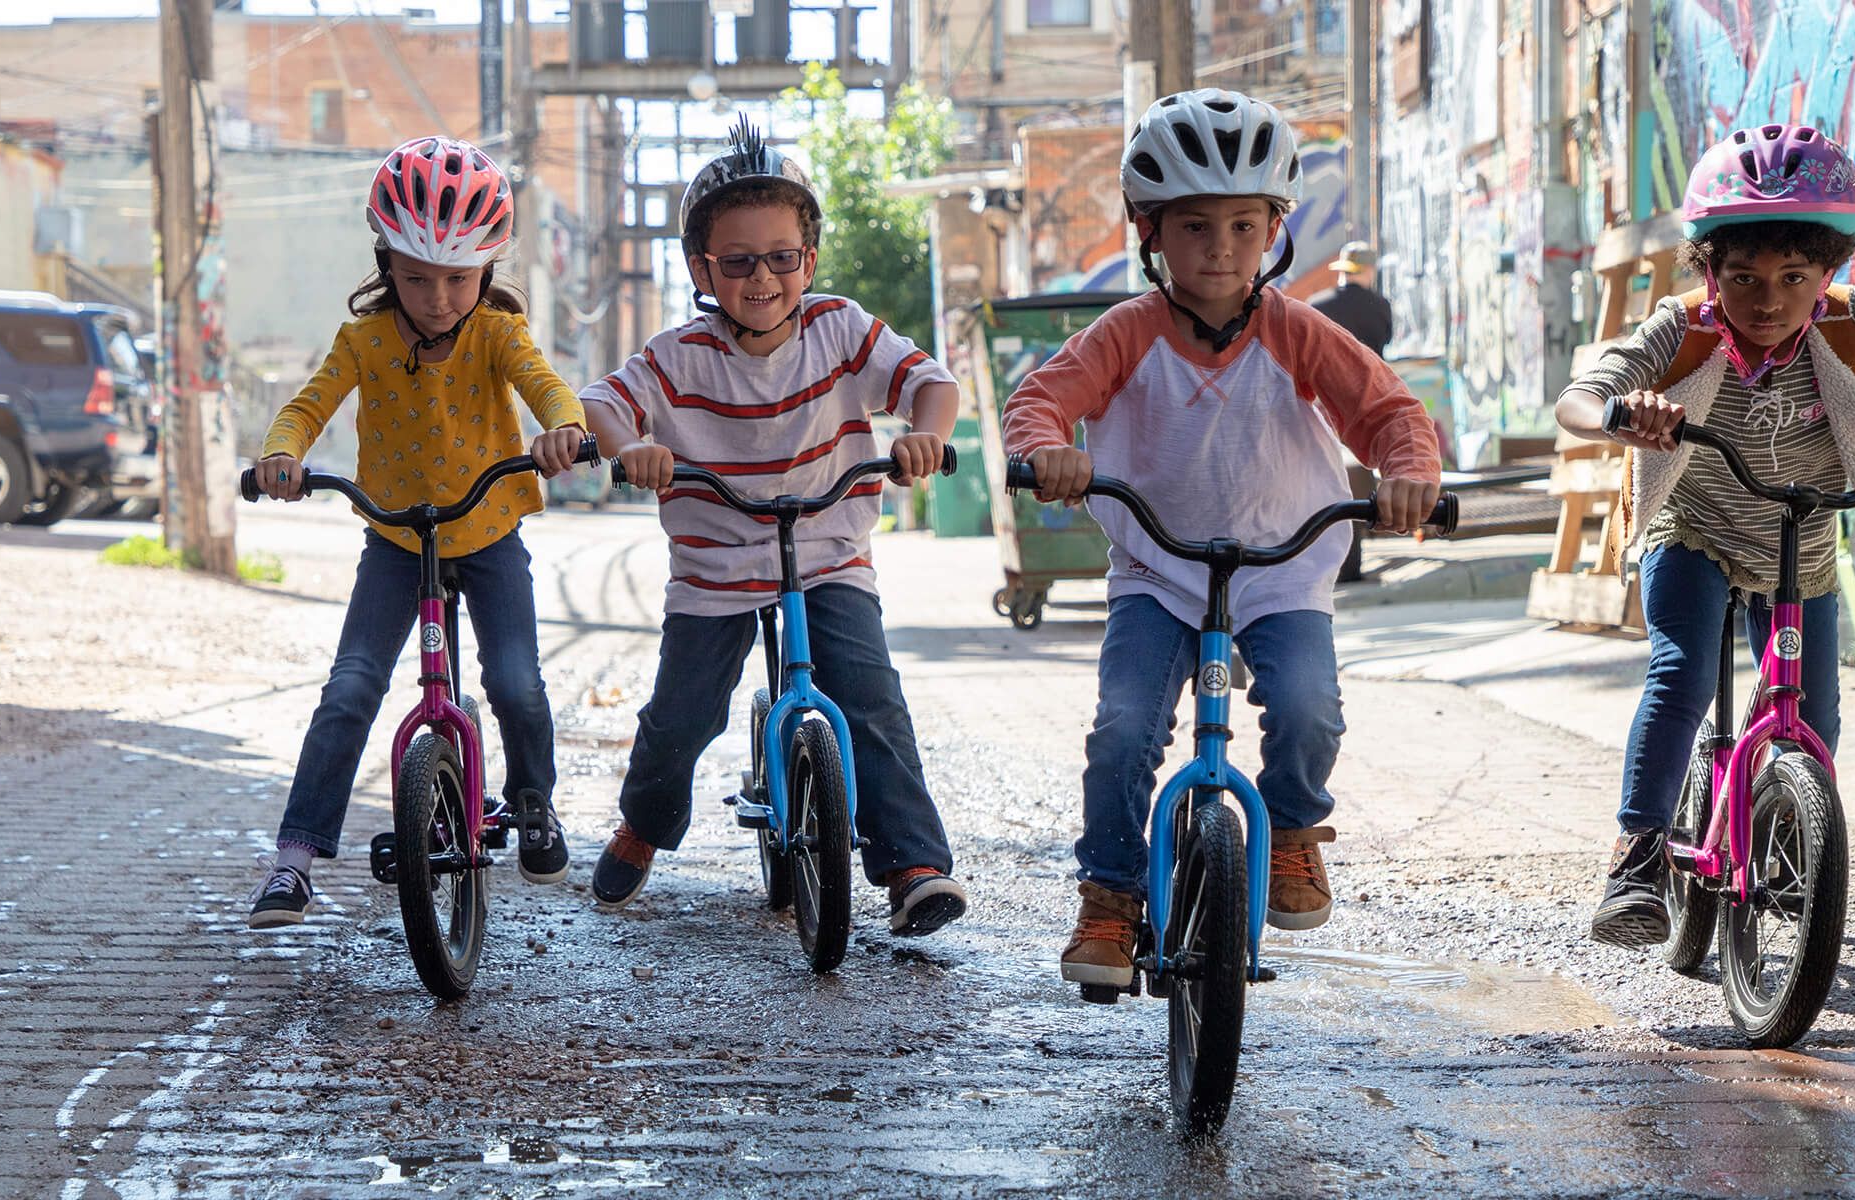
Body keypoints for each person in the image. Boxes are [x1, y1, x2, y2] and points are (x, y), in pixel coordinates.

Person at [1001, 89, 1443, 988]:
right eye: (1195, 227)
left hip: (1280, 569)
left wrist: (1408, 475)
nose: (1221, 249)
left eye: (1245, 226)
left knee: (1313, 707)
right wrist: (1046, 453)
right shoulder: (1126, 332)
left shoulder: (1296, 330)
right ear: (1151, 232)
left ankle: (1287, 831)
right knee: (1124, 732)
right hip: (1159, 572)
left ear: (1276, 230)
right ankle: (1111, 899)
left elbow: (1387, 410)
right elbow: (1039, 402)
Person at [579, 118, 970, 937]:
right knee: (680, 717)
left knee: (869, 698)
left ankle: (914, 865)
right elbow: (603, 403)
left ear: (809, 261)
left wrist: (924, 434)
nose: (763, 277)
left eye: (782, 257)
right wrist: (634, 447)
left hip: (828, 552)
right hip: (716, 564)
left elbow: (930, 383)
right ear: (702, 270)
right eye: (738, 261)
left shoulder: (840, 328)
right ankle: (645, 826)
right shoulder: (678, 353)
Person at [1554, 125, 1855, 948]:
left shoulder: (1852, 327)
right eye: (1742, 278)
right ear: (1710, 272)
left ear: (1828, 274)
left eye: (1793, 278)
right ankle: (1636, 854)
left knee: (1815, 712)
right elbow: (1576, 399)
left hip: (1800, 541)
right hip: (1695, 523)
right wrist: (1624, 415)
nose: (1768, 301)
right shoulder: (1686, 331)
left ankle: (1785, 832)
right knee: (1678, 670)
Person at [246, 136, 589, 928]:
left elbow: (547, 387)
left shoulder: (497, 333)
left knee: (516, 682)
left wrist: (562, 429)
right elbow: (306, 406)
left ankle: (535, 800)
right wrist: (281, 454)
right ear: (385, 263)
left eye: (459, 280)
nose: (438, 299)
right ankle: (294, 857)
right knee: (351, 687)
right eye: (416, 278)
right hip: (398, 542)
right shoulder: (363, 343)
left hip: (491, 531)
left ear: (488, 272)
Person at [1308, 240, 1394, 356]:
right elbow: (1387, 340)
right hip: (1369, 373)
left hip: (1329, 374)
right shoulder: (1381, 305)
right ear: (1370, 270)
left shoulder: (1317, 305)